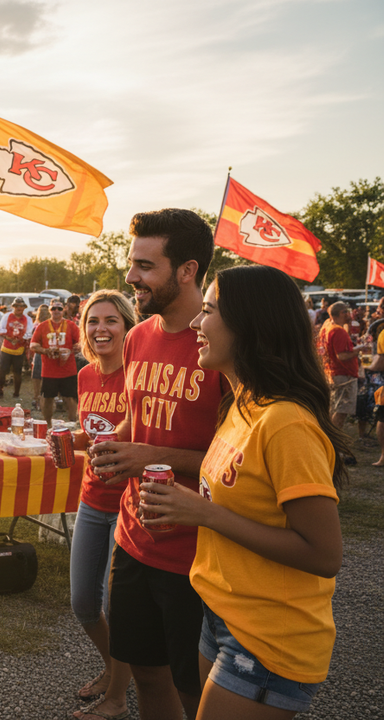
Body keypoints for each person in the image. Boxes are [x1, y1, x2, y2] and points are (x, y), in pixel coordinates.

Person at [142, 265, 345, 720]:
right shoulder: (241, 405)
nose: (195, 322)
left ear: (249, 325)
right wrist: (187, 510)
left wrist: (205, 514)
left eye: (208, 311)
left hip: (269, 634)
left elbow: (324, 553)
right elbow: (239, 504)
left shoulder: (285, 423)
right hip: (221, 613)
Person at [90, 208, 228, 720]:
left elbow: (240, 457)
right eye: (132, 263)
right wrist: (112, 447)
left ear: (187, 270)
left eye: (145, 266)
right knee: (146, 673)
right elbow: (136, 422)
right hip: (132, 537)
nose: (131, 277)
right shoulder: (137, 336)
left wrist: (151, 455)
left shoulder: (221, 344)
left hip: (196, 550)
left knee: (197, 689)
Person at [68, 290, 136, 720]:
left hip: (131, 502)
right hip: (92, 498)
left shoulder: (140, 375)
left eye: (112, 320)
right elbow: (92, 434)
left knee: (120, 606)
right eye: (93, 321)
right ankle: (114, 670)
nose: (101, 329)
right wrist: (70, 441)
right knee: (83, 603)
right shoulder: (85, 375)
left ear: (129, 327)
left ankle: (117, 696)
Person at [318, 301, 371, 465]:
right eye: (347, 312)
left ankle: (330, 447)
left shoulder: (327, 327)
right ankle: (333, 448)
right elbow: (342, 356)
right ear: (341, 314)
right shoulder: (338, 331)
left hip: (333, 373)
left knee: (334, 410)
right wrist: (360, 349)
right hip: (344, 375)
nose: (350, 314)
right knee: (340, 413)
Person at [30, 299, 82, 426]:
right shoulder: (42, 326)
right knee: (47, 398)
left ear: (63, 309)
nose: (56, 311)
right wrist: (45, 350)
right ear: (50, 311)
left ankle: (73, 423)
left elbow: (81, 341)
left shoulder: (71, 325)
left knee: (70, 398)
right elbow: (33, 345)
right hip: (49, 370)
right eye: (53, 309)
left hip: (68, 369)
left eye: (59, 308)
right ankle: (48, 424)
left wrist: (77, 348)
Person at [0, 298, 33, 399]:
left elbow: (29, 332)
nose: (19, 308)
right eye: (16, 306)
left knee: (17, 371)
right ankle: (0, 390)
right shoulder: (7, 316)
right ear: (13, 307)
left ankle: (16, 393)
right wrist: (9, 338)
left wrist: (20, 339)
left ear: (24, 308)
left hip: (19, 348)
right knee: (2, 370)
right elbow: (0, 329)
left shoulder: (27, 319)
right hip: (6, 347)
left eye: (21, 306)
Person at [29, 304, 50, 408]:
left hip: (44, 352)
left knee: (41, 376)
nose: (43, 313)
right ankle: (38, 398)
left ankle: (39, 398)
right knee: (38, 376)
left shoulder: (40, 325)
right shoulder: (37, 325)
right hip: (40, 352)